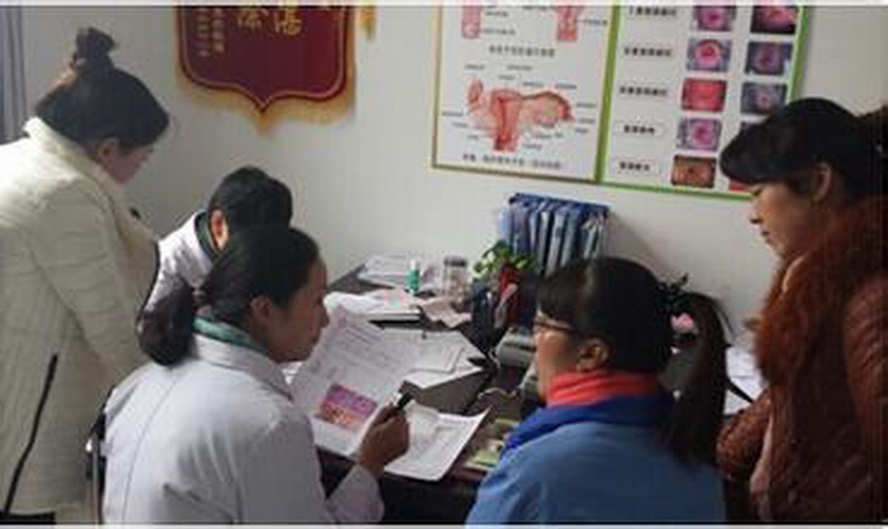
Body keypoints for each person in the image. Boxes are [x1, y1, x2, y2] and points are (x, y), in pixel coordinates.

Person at [102, 225, 409, 523]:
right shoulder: (271, 425)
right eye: (317, 301)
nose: (326, 319)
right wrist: (370, 466)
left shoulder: (138, 383)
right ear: (264, 311)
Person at [0, 28, 168, 521]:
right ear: (109, 148)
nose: (143, 165)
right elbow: (109, 328)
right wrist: (167, 403)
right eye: (144, 155)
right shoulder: (62, 196)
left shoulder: (16, 157)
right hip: (20, 416)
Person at [717, 98, 886, 521]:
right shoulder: (816, 276)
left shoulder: (872, 298)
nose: (752, 216)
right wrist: (721, 455)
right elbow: (785, 396)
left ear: (818, 181)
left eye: (758, 193)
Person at [467, 257, 728, 523]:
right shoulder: (700, 465)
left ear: (590, 353)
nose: (535, 339)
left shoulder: (531, 475)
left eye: (542, 325)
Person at [146, 166, 293, 308]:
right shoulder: (164, 272)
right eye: (252, 248)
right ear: (218, 225)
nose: (258, 260)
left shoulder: (263, 251)